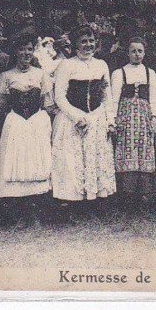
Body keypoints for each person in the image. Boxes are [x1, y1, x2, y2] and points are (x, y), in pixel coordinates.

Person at [0, 27, 54, 224]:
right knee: (16, 162)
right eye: (22, 49)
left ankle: (36, 211)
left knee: (36, 161)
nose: (26, 53)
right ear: (15, 52)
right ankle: (19, 212)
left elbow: (48, 103)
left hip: (36, 123)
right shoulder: (7, 76)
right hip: (16, 123)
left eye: (30, 49)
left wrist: (45, 121)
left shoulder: (41, 74)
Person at [51, 24, 117, 205]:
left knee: (95, 157)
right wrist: (77, 118)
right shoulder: (66, 65)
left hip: (96, 117)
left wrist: (110, 121)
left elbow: (106, 96)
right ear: (76, 44)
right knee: (73, 160)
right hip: (72, 119)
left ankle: (93, 200)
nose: (88, 45)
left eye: (91, 41)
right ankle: (72, 201)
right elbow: (59, 97)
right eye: (84, 41)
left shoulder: (101, 65)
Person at [111, 36, 156, 207]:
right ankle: (127, 194)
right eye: (133, 51)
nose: (137, 54)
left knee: (144, 151)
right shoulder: (119, 73)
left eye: (140, 51)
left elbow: (155, 99)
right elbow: (114, 100)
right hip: (126, 118)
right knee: (127, 151)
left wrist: (154, 118)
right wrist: (114, 120)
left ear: (144, 53)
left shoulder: (150, 73)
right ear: (128, 53)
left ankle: (143, 194)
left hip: (144, 119)